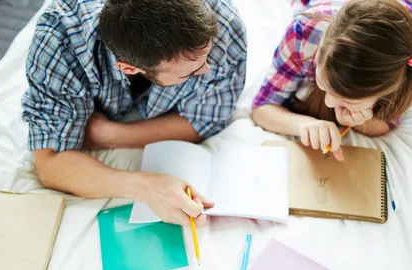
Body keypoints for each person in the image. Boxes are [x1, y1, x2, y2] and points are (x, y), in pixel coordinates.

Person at [22, 0, 247, 226]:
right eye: (191, 71)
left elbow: (208, 119)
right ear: (129, 68)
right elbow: (50, 163)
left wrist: (107, 134)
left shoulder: (223, 22)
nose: (208, 69)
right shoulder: (58, 43)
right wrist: (146, 187)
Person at [251, 0, 412, 161]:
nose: (328, 103)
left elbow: (389, 121)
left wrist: (363, 122)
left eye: (348, 100)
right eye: (322, 84)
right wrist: (303, 125)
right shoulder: (303, 34)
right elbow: (261, 108)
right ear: (318, 56)